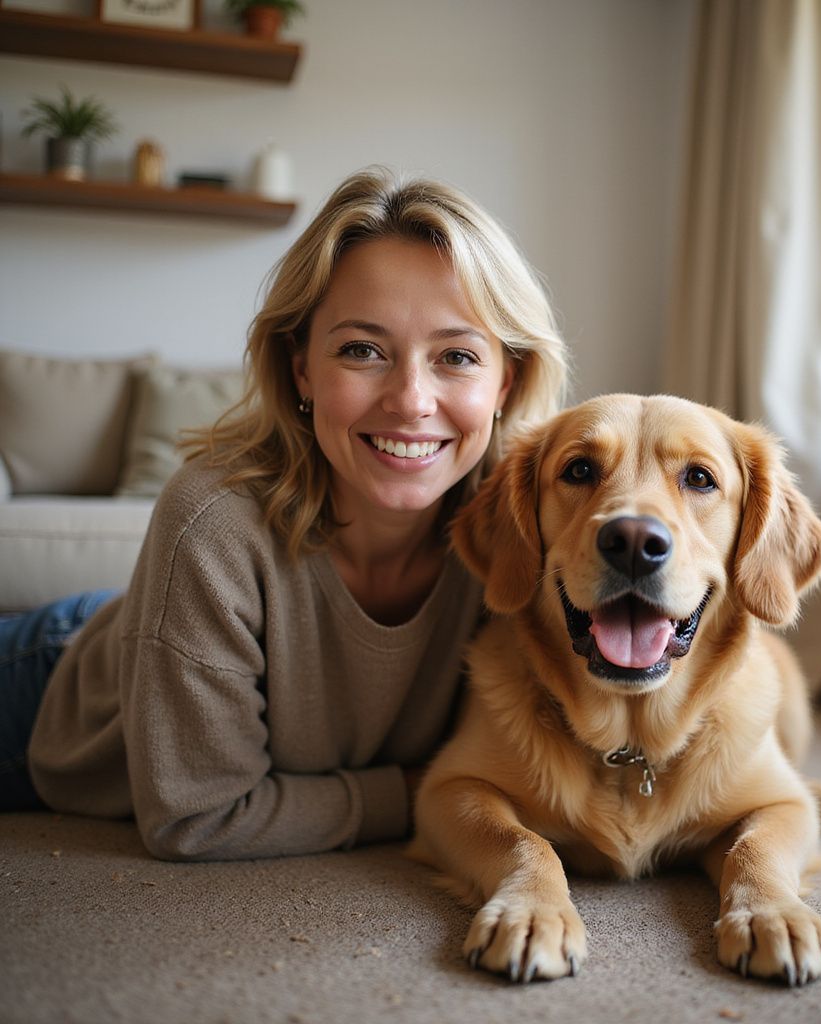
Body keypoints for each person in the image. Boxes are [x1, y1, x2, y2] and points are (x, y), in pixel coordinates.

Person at [0, 167, 568, 861]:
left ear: (505, 381)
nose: (412, 400)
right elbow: (197, 816)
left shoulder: (528, 525)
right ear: (301, 367)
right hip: (47, 686)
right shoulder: (212, 522)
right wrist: (423, 790)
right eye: (363, 350)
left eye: (457, 356)